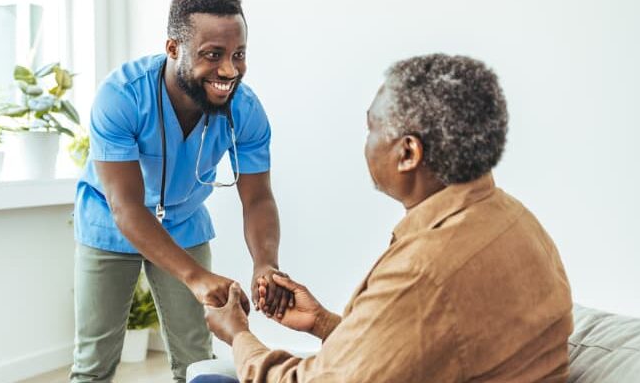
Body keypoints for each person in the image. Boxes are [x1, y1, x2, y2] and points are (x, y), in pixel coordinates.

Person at [201, 54, 574, 382]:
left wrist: (238, 336)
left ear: (408, 152)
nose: (367, 143)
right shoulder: (515, 219)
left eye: (372, 128)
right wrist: (322, 323)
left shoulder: (423, 271)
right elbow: (424, 349)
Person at [71, 0, 293, 382]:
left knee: (195, 358)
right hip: (110, 222)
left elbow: (257, 198)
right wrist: (194, 276)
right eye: (213, 55)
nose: (229, 70)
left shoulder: (245, 109)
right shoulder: (121, 97)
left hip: (184, 220)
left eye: (238, 55)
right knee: (94, 362)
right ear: (173, 48)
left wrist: (266, 263)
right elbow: (126, 207)